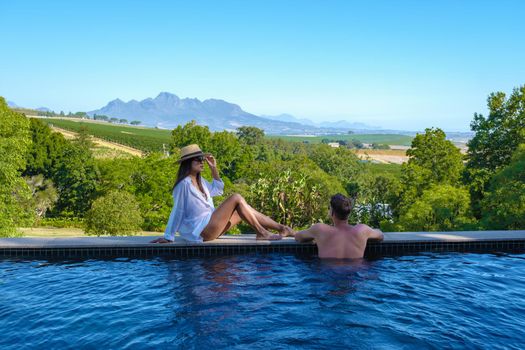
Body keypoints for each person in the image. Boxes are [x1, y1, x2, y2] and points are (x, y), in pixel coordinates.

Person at [151, 144, 293, 243]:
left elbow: (218, 190)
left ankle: (283, 228)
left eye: (202, 159)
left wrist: (214, 168)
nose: (202, 162)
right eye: (198, 159)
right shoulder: (183, 185)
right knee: (236, 197)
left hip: (212, 226)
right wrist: (169, 236)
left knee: (244, 210)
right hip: (202, 229)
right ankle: (262, 232)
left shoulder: (201, 181)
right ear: (188, 162)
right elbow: (178, 211)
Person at [293, 193, 384, 258]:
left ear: (332, 211)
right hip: (355, 276)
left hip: (328, 276)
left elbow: (298, 237)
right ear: (349, 212)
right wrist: (369, 233)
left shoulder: (320, 229)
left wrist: (316, 237)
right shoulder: (363, 230)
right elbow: (380, 236)